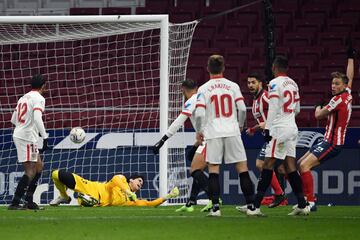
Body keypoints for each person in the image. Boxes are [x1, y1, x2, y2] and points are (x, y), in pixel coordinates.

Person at [247, 56, 309, 216]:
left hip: (279, 129)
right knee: (290, 166)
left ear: (274, 68)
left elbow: (273, 106)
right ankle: (302, 204)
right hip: (292, 127)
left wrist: (268, 128)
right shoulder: (293, 83)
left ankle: (255, 206)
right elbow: (298, 110)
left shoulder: (274, 83)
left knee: (267, 165)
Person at [195, 54, 255, 217]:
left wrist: (200, 131)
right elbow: (242, 108)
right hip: (232, 130)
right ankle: (251, 207)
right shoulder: (233, 86)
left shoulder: (204, 88)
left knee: (214, 170)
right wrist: (240, 125)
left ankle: (216, 209)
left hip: (213, 132)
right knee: (242, 168)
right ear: (223, 68)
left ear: (208, 68)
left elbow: (199, 113)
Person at [298, 45, 355, 211]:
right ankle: (307, 200)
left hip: (332, 142)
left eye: (336, 84)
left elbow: (318, 115)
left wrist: (317, 106)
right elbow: (350, 77)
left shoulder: (337, 100)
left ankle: (311, 202)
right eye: (332, 83)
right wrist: (351, 58)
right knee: (300, 163)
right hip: (328, 140)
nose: (333, 86)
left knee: (303, 166)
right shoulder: (348, 94)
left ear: (342, 86)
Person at [152, 79, 212, 212]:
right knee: (196, 165)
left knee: (195, 170)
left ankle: (214, 199)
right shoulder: (205, 98)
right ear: (196, 88)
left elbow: (178, 122)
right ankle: (191, 202)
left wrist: (162, 140)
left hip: (210, 139)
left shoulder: (191, 101)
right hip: (211, 137)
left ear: (183, 89)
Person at [244, 73, 286, 208]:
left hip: (276, 134)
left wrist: (260, 126)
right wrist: (255, 128)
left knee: (261, 163)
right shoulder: (256, 100)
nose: (250, 85)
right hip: (270, 135)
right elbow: (263, 121)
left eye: (253, 82)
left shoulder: (266, 96)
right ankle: (286, 196)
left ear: (260, 83)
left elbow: (279, 110)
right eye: (249, 82)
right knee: (282, 168)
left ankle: (280, 194)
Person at [8, 74, 50, 210]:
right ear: (43, 86)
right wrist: (44, 136)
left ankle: (29, 201)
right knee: (31, 170)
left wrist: (24, 126)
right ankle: (15, 203)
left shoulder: (23, 97)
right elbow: (38, 118)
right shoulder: (39, 98)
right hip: (27, 137)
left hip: (22, 134)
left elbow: (14, 119)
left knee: (39, 166)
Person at [49, 169, 179, 207]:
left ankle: (85, 201)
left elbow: (149, 203)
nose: (140, 184)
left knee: (89, 202)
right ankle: (64, 196)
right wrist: (128, 191)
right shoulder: (121, 179)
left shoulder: (130, 201)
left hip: (97, 202)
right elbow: (115, 181)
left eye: (142, 185)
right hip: (90, 186)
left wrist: (168, 196)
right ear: (131, 180)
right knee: (56, 174)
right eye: (139, 181)